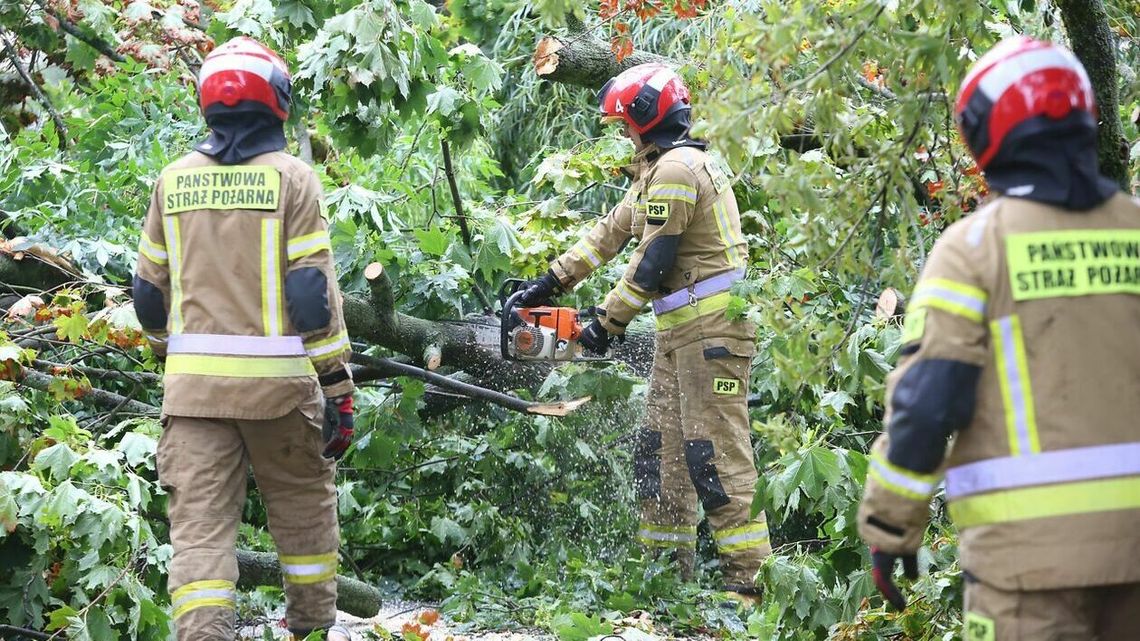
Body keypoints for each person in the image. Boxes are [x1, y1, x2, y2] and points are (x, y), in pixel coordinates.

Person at [858, 36, 1140, 640]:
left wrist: (890, 527)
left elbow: (929, 402)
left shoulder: (974, 251)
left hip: (1027, 570)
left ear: (987, 134)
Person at [517, 63, 770, 602]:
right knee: (660, 454)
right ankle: (663, 581)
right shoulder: (659, 170)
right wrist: (547, 283)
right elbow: (608, 234)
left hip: (714, 336)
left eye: (623, 123)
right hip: (679, 334)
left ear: (642, 117)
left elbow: (652, 263)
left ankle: (747, 591)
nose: (621, 133)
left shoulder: (680, 170)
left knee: (716, 453)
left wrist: (604, 324)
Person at [133, 36, 355, 641]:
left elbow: (148, 295)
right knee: (304, 518)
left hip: (193, 398)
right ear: (277, 101)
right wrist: (338, 388)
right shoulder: (293, 179)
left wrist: (169, 355)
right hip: (282, 397)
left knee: (200, 537)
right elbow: (311, 297)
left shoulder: (172, 181)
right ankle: (309, 630)